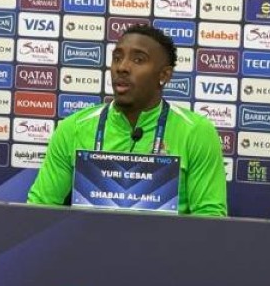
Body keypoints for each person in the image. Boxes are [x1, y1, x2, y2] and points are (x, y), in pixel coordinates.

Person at [28, 23, 228, 216]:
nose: (122, 67)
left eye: (138, 60)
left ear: (164, 75)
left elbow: (209, 218)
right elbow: (39, 210)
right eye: (117, 58)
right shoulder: (73, 128)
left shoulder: (195, 132)